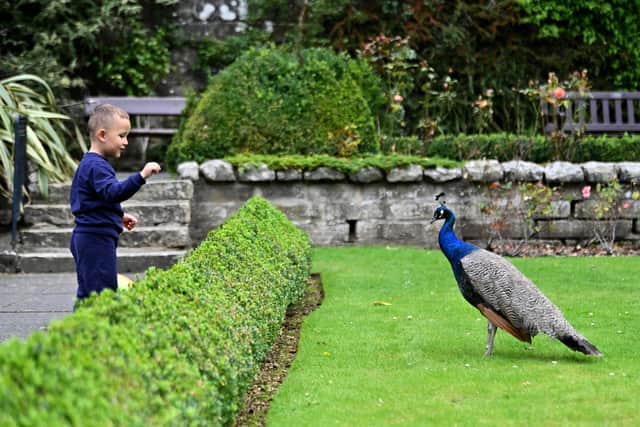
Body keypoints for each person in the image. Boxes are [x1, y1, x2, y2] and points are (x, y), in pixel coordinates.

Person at [69, 103, 161, 304]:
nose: (126, 142)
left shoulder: (90, 165)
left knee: (93, 291)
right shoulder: (96, 166)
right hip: (95, 239)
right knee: (99, 295)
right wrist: (142, 176)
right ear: (102, 135)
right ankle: (83, 332)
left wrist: (117, 216)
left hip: (91, 237)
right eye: (122, 136)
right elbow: (114, 193)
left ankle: (85, 331)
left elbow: (89, 202)